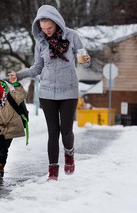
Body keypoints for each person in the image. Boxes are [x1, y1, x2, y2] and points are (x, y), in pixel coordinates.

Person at [9, 5, 91, 180]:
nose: (46, 32)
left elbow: (84, 61)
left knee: (66, 132)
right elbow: (37, 68)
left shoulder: (72, 36)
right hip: (47, 93)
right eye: (43, 28)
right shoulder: (41, 42)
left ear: (57, 23)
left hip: (68, 92)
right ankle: (53, 171)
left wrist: (86, 61)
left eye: (50, 28)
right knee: (53, 132)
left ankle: (69, 153)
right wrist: (19, 75)